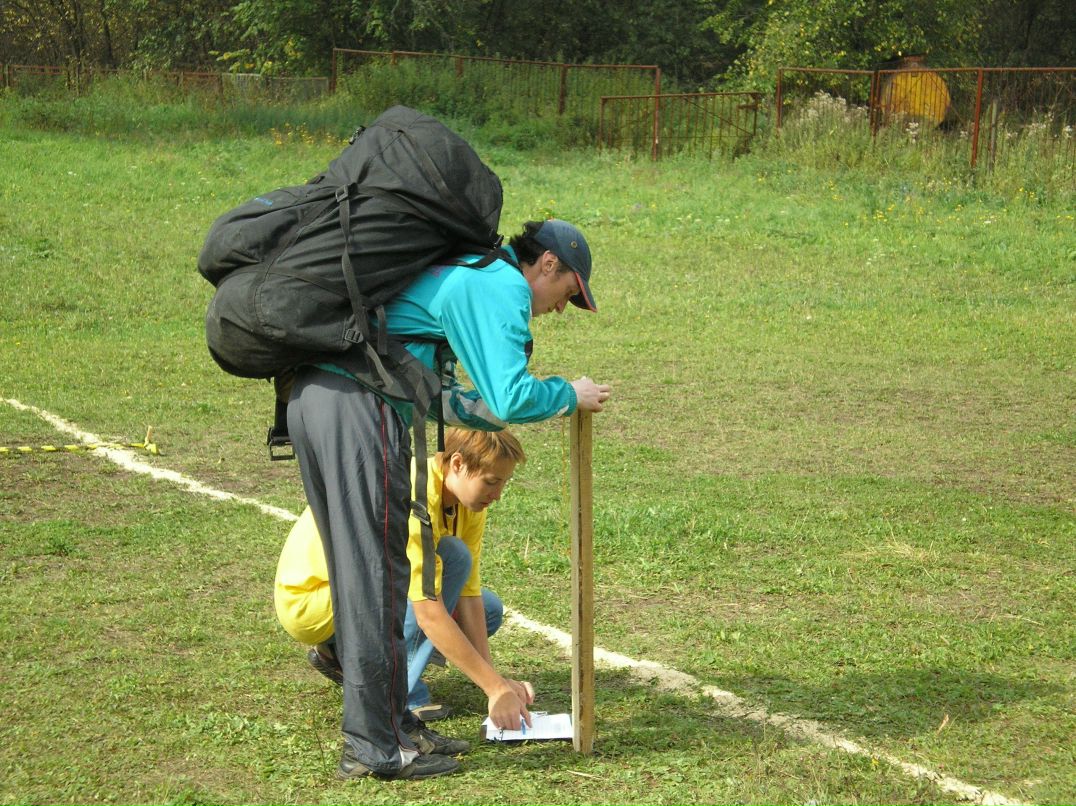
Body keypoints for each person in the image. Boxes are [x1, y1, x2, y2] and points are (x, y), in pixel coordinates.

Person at [286, 218, 611, 780]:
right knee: (384, 576)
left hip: (333, 401)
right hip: (356, 408)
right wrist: (566, 394)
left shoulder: (470, 275)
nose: (563, 308)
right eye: (568, 293)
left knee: (392, 572)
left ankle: (395, 727)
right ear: (548, 265)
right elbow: (508, 395)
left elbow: (455, 403)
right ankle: (376, 747)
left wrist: (494, 679)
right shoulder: (501, 284)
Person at [275, 428, 533, 736]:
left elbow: (468, 594)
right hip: (312, 601)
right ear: (457, 464)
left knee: (485, 606)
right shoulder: (415, 496)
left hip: (354, 595)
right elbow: (428, 613)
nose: (498, 494)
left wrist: (494, 682)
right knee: (447, 564)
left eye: (504, 482)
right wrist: (494, 689)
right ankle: (397, 696)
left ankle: (341, 654)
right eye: (491, 481)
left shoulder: (470, 502)